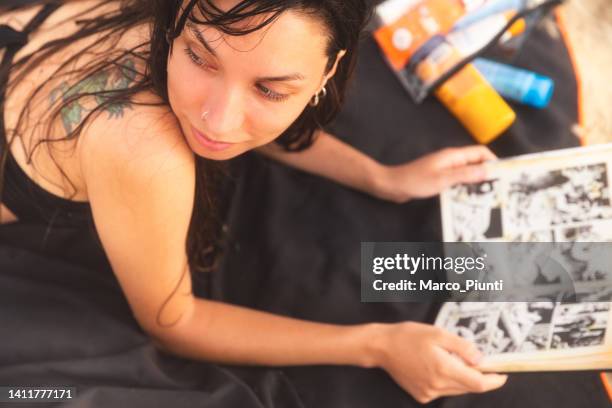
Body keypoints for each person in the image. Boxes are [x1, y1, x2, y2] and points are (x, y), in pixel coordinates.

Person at [0, 0, 506, 403]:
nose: (215, 123)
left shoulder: (189, 25)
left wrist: (382, 178)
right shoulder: (144, 148)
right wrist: (377, 345)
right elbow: (174, 325)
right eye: (200, 57)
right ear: (177, 17)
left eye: (270, 90)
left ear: (330, 69)